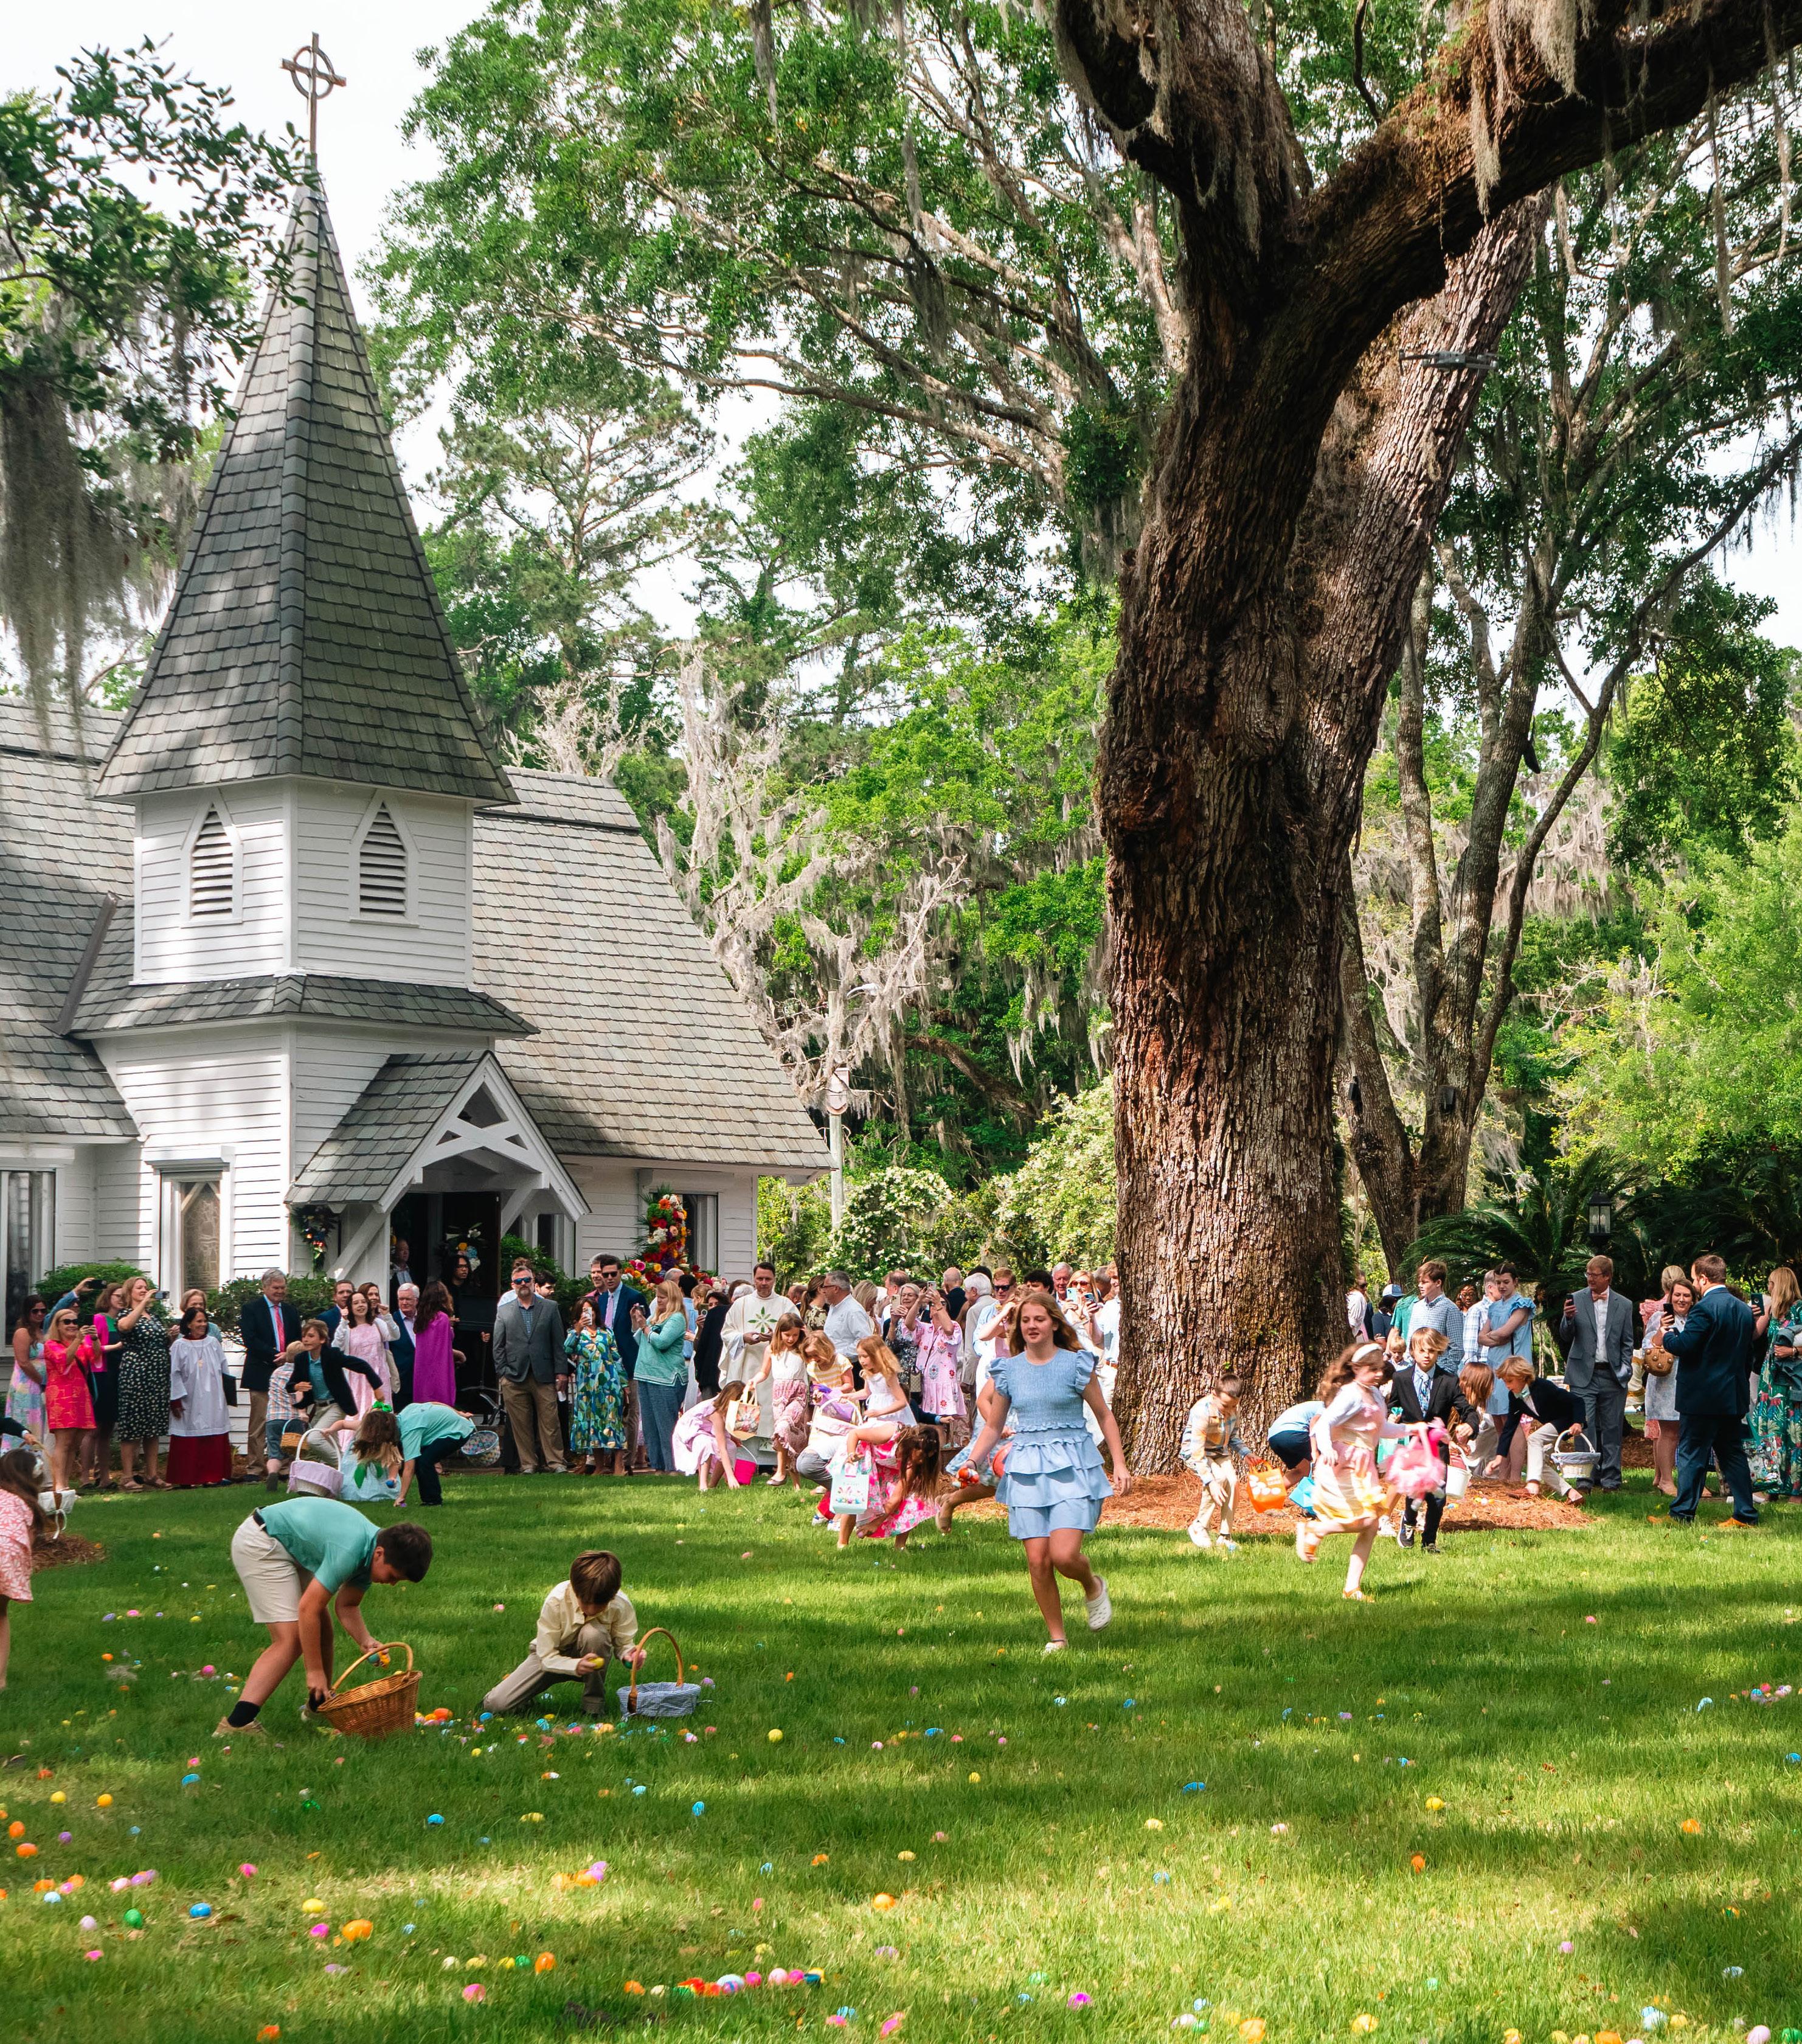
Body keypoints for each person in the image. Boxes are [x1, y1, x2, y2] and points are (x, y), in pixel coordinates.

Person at [960, 1290, 1130, 1650]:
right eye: (1025, 1320)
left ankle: (1092, 1584)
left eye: (1039, 1319)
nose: (1032, 1326)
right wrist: (972, 1461)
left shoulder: (1076, 1364)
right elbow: (993, 1426)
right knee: (1038, 1560)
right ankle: (1058, 1638)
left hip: (1073, 1464)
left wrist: (1119, 1463)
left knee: (1064, 1556)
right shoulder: (1008, 1370)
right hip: (1027, 1468)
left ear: (1054, 1323)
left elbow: (1104, 1415)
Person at [220, 1499, 431, 1734]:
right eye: (393, 1576)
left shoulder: (371, 1554)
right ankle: (237, 1724)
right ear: (380, 1554)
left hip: (290, 1548)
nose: (392, 1584)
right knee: (291, 1639)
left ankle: (318, 1705)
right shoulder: (351, 1550)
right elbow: (308, 1609)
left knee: (322, 1628)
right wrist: (314, 1672)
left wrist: (366, 1641)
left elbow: (348, 1606)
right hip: (262, 1542)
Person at [1652, 1254, 1760, 1526]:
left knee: (1691, 1454)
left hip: (1701, 1397)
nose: (1695, 1284)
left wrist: (1668, 1335)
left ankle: (1682, 1513)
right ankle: (1745, 1514)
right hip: (1731, 1395)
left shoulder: (1703, 1309)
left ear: (1703, 1278)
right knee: (1733, 1455)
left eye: (1694, 1279)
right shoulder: (1744, 1310)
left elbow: (1685, 1346)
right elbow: (1748, 1354)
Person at [1297, 1341, 1406, 1599]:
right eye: (1372, 1369)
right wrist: (1327, 1449)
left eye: (1380, 1369)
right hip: (1344, 1462)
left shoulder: (1374, 1394)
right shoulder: (1351, 1394)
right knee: (1367, 1520)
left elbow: (1381, 1429)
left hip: (1363, 1463)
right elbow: (1324, 1423)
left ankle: (1351, 1588)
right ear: (1357, 1368)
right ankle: (1317, 1530)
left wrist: (1413, 1428)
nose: (1379, 1374)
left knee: (1371, 1525)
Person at [481, 1549, 645, 1717]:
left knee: (594, 1634)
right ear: (574, 1588)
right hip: (550, 1657)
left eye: (600, 1605)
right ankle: (524, 1698)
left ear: (613, 1595)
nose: (591, 1610)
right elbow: (546, 1655)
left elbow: (623, 1643)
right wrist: (575, 1665)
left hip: (591, 1658)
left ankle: (593, 1707)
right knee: (496, 1705)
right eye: (586, 1602)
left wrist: (629, 1657)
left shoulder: (620, 1604)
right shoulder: (557, 1601)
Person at [1388, 1326, 1481, 1551]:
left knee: (1438, 1497)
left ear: (1438, 1352)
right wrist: (1391, 1416)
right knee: (1416, 1490)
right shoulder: (1401, 1378)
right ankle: (1408, 1522)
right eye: (1422, 1350)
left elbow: (1468, 1410)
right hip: (1414, 1445)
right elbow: (1392, 1406)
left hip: (1437, 1446)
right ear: (1412, 1351)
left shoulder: (1448, 1380)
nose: (1427, 1355)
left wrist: (1470, 1425)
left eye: (1432, 1351)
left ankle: (1429, 1541)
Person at [1553, 1254, 1635, 1492]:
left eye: (1595, 1275)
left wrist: (1625, 1369)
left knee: (1612, 1429)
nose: (1590, 1279)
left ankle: (1611, 1480)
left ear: (1607, 1277)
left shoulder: (1624, 1304)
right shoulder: (1577, 1298)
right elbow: (1566, 1336)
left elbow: (1627, 1341)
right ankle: (1584, 1478)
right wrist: (1568, 1319)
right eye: (1588, 1274)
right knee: (1583, 1426)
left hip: (1613, 1375)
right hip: (1582, 1375)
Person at [492, 1259, 568, 1475]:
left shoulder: (550, 1308)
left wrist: (561, 1372)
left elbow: (558, 1343)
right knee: (521, 1424)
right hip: (514, 1376)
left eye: (527, 1280)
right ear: (513, 1285)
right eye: (519, 1281)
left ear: (534, 1282)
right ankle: (528, 1464)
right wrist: (503, 1373)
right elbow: (498, 1346)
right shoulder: (504, 1311)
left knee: (550, 1421)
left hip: (544, 1374)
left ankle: (556, 1462)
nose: (523, 1284)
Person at [239, 1271, 301, 1486]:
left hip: (288, 1374)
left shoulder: (291, 1311)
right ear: (265, 1287)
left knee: (286, 1422)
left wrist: (289, 1356)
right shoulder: (251, 1309)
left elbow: (298, 1339)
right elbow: (250, 1339)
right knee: (259, 1422)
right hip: (261, 1372)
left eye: (283, 1287)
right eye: (276, 1288)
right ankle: (255, 1468)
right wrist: (275, 1355)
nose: (280, 1291)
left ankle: (283, 1468)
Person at [583, 1256, 646, 1467]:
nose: (609, 1278)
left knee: (630, 1413)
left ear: (621, 1273)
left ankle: (627, 1461)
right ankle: (607, 1459)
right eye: (606, 1275)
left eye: (613, 1274)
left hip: (628, 1362)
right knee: (607, 1412)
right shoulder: (600, 1300)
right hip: (605, 1365)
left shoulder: (634, 1296)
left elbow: (641, 1329)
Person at [1494, 1357, 1585, 1500]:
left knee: (1534, 1439)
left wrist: (1578, 1422)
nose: (1507, 1386)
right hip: (1552, 1424)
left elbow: (1577, 1401)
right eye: (1505, 1382)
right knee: (1537, 1463)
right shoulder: (1514, 1396)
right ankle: (1573, 1494)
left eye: (1510, 1381)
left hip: (1567, 1420)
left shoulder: (1543, 1386)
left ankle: (1532, 1486)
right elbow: (1509, 1427)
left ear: (1522, 1376)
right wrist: (1499, 1457)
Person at [111, 1278, 172, 1490]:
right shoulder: (125, 1314)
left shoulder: (153, 1317)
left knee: (153, 1426)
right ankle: (127, 1477)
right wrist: (144, 1303)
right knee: (133, 1426)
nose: (145, 1290)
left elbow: (159, 1341)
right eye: (140, 1288)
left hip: (157, 1376)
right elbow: (126, 1327)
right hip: (136, 1374)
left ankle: (152, 1474)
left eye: (146, 1288)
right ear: (129, 1292)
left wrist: (170, 1336)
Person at [1748, 1266, 1802, 1501]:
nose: (1768, 1287)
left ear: (1780, 1284)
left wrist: (1793, 1351)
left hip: (1790, 1380)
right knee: (1767, 1429)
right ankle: (1768, 1487)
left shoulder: (1799, 1309)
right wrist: (1754, 1317)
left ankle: (1795, 1491)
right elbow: (1754, 1335)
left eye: (1771, 1283)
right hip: (1769, 1379)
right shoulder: (1771, 1308)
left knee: (1793, 1432)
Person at [167, 1302, 234, 1487]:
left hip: (213, 1397)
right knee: (190, 1433)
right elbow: (174, 1373)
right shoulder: (180, 1345)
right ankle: (187, 1478)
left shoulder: (213, 1343)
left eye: (205, 1321)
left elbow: (224, 1368)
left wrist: (227, 1394)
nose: (203, 1325)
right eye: (199, 1321)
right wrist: (176, 1400)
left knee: (213, 1432)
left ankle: (213, 1475)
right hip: (190, 1397)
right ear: (188, 1324)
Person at [1640, 1267, 1691, 1498]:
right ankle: (1666, 1480)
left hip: (1691, 1379)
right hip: (1666, 1380)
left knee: (1689, 1432)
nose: (1681, 1300)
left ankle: (1690, 1480)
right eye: (1677, 1295)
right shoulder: (1658, 1318)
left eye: (1686, 1296)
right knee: (1669, 1432)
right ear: (1670, 1296)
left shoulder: (1697, 1318)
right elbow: (1647, 1347)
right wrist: (1661, 1330)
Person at [631, 1277, 690, 1473]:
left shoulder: (677, 1319)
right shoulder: (655, 1317)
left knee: (666, 1426)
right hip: (646, 1374)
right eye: (657, 1297)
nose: (659, 1300)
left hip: (666, 1378)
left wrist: (645, 1328)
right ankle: (657, 1466)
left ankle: (672, 1466)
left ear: (672, 1298)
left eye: (663, 1297)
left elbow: (663, 1342)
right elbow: (640, 1340)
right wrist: (637, 1322)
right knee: (650, 1426)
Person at [564, 1299, 628, 1476]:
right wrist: (578, 1330)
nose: (588, 1314)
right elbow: (567, 1349)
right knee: (593, 1423)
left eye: (591, 1310)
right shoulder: (576, 1334)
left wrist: (624, 1384)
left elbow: (617, 1358)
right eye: (584, 1311)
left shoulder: (607, 1332)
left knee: (613, 1421)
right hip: (587, 1386)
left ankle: (619, 1466)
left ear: (596, 1312)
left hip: (609, 1383)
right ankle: (599, 1466)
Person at [0, 1447, 47, 1688]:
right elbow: (26, 1544)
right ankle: (0, 1679)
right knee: (0, 1615)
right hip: (7, 1557)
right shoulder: (28, 1504)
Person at [854, 1424, 944, 1547]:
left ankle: (900, 1546)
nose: (922, 1462)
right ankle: (842, 1542)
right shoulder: (889, 1434)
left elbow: (896, 1498)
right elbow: (855, 1434)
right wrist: (851, 1455)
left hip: (883, 1471)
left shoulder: (911, 1466)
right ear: (913, 1446)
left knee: (912, 1498)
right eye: (922, 1456)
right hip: (859, 1458)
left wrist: (877, 1523)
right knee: (853, 1497)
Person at [1183, 1373, 1244, 1551]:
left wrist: (1246, 1454)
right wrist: (1210, 1482)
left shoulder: (1234, 1409)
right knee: (1219, 1479)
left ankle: (1225, 1536)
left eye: (1234, 1406)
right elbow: (1197, 1452)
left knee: (1232, 1482)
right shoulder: (1202, 1411)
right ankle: (1199, 1526)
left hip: (1219, 1452)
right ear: (1214, 1395)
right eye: (1225, 1405)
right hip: (1197, 1454)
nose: (1230, 1410)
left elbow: (1234, 1437)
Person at [41, 1305, 96, 1496]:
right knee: (63, 1442)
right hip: (61, 1397)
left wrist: (95, 1339)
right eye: (67, 1322)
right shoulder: (51, 1344)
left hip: (80, 1395)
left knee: (74, 1444)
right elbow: (63, 1360)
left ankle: (65, 1485)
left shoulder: (81, 1343)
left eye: (75, 1321)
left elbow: (95, 1357)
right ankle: (58, 1485)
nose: (72, 1325)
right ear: (57, 1325)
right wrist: (79, 1340)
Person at [797, 1335, 864, 1485]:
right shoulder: (812, 1367)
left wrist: (831, 1391)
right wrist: (817, 1394)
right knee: (820, 1441)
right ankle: (824, 1477)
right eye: (810, 1356)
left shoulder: (840, 1361)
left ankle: (846, 1476)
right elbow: (816, 1386)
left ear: (825, 1348)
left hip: (844, 1406)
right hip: (826, 1408)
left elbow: (849, 1385)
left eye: (816, 1354)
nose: (813, 1359)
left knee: (842, 1441)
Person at [752, 1312, 808, 1486]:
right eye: (787, 1335)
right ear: (780, 1333)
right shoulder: (772, 1349)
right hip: (779, 1395)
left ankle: (781, 1471)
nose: (791, 1339)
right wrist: (754, 1381)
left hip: (797, 1393)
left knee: (784, 1428)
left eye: (795, 1335)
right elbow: (764, 1371)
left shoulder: (802, 1349)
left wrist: (808, 1335)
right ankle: (795, 1483)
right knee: (783, 1435)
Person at [672, 1378, 753, 1491]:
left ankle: (713, 1484)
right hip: (691, 1432)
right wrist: (731, 1476)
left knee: (731, 1447)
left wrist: (733, 1437)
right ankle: (703, 1485)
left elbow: (722, 1433)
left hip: (706, 1431)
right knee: (707, 1444)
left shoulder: (724, 1410)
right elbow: (722, 1448)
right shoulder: (716, 1414)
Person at [393, 1400, 476, 1507]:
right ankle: (429, 1500)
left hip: (459, 1431)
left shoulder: (409, 1430)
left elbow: (409, 1468)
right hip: (445, 1431)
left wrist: (401, 1496)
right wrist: (459, 1413)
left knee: (425, 1461)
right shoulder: (407, 1411)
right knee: (421, 1461)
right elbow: (434, 1403)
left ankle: (433, 1501)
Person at [915, 1288, 969, 1448]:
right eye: (932, 1304)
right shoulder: (925, 1328)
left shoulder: (955, 1326)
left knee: (941, 1426)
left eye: (943, 1303)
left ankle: (942, 1458)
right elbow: (909, 1325)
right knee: (927, 1425)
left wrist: (939, 1303)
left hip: (943, 1383)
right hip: (925, 1385)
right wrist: (918, 1301)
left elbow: (949, 1330)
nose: (936, 1306)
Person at [411, 1281, 460, 1406]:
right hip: (440, 1365)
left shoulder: (421, 1319)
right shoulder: (442, 1318)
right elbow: (447, 1340)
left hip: (423, 1367)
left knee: (423, 1398)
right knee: (440, 1399)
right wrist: (451, 1327)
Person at [7, 1295, 47, 1445]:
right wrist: (42, 1381)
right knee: (26, 1421)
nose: (39, 1314)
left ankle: (37, 1456)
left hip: (40, 1387)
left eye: (43, 1311)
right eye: (35, 1311)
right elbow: (23, 1362)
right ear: (27, 1312)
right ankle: (19, 1455)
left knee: (39, 1423)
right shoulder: (23, 1332)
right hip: (26, 1386)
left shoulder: (42, 1333)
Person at [1408, 1262, 1463, 1367]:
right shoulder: (1417, 1307)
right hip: (1416, 1369)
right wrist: (1410, 1366)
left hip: (1440, 1369)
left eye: (1424, 1282)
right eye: (1419, 1282)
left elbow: (1457, 1347)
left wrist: (1447, 1371)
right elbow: (1410, 1340)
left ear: (1438, 1283)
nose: (1420, 1285)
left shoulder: (1450, 1309)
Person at [821, 1271, 874, 1363]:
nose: (823, 1291)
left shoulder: (853, 1310)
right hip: (834, 1363)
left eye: (825, 1287)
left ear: (836, 1289)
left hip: (850, 1365)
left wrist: (837, 1354)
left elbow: (864, 1341)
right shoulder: (834, 1307)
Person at [693, 1285, 729, 1399]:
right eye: (710, 1305)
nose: (713, 1308)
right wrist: (701, 1329)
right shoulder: (706, 1323)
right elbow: (698, 1347)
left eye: (717, 1304)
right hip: (709, 1373)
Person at [387, 1281, 420, 1408]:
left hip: (422, 1379)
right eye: (401, 1299)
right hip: (401, 1381)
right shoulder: (391, 1321)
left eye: (408, 1299)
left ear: (416, 1301)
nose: (404, 1303)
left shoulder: (425, 1320)